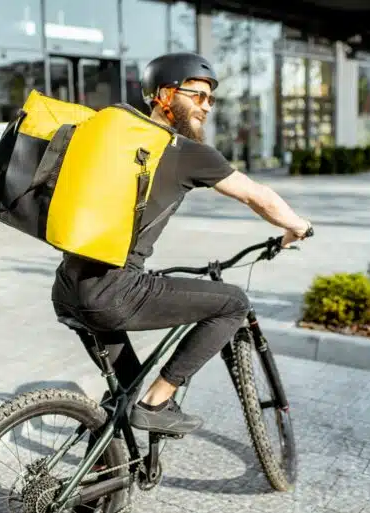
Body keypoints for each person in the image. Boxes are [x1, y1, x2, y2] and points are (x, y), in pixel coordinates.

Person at [51, 52, 312, 436]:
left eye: (211, 99)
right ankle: (159, 401)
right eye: (198, 96)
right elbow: (258, 197)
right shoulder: (181, 150)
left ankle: (101, 481)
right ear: (163, 96)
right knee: (233, 303)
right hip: (114, 293)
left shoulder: (117, 137)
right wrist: (298, 226)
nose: (207, 107)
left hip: (68, 287)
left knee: (122, 394)